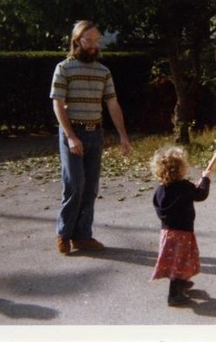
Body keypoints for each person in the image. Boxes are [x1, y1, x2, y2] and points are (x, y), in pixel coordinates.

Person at [50, 20, 132, 255]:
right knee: (75, 184)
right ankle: (64, 234)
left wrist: (123, 136)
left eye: (98, 41)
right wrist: (71, 136)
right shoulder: (64, 68)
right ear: (77, 41)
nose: (95, 45)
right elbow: (58, 104)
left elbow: (113, 104)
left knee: (90, 187)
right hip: (72, 133)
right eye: (90, 41)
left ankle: (83, 236)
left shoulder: (103, 72)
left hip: (95, 132)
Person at [150, 146, 211, 306]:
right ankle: (174, 294)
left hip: (167, 233)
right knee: (180, 260)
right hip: (183, 233)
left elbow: (189, 194)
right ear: (180, 169)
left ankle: (181, 283)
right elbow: (201, 194)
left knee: (176, 259)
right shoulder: (184, 187)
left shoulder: (161, 190)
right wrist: (205, 179)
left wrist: (193, 188)